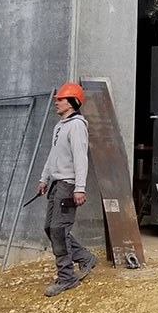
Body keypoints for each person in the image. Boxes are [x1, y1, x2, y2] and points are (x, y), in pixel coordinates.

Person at [37, 82, 99, 296]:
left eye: (61, 99)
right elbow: (53, 155)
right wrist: (44, 178)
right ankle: (84, 258)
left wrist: (79, 188)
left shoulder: (77, 126)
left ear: (72, 102)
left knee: (58, 230)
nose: (57, 102)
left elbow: (81, 159)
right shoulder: (60, 126)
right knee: (50, 228)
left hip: (68, 184)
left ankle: (66, 277)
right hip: (56, 185)